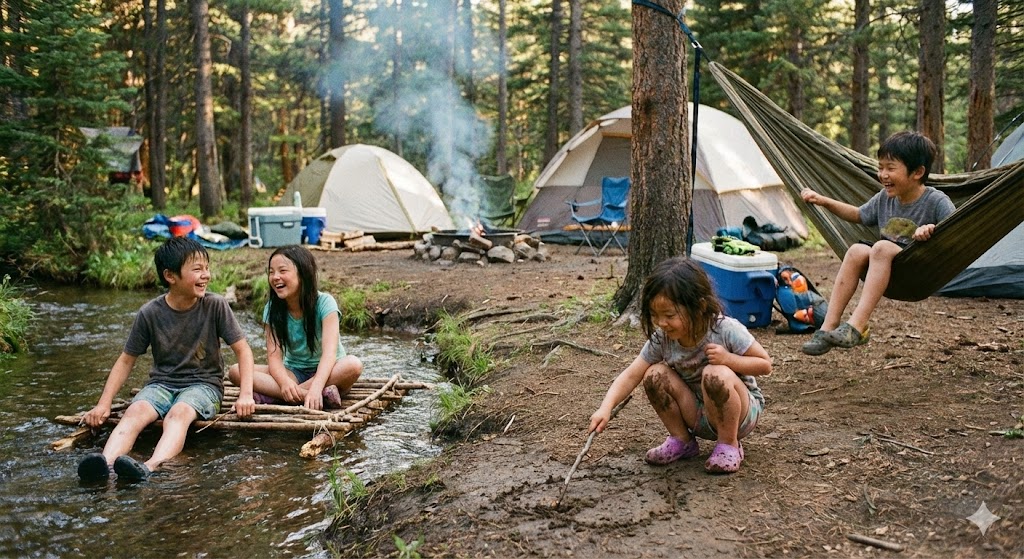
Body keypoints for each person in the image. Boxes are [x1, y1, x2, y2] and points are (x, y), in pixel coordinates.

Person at [78, 237, 256, 482]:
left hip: (204, 386)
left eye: (207, 268)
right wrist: (103, 404)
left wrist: (246, 394)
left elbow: (243, 350)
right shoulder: (150, 313)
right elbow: (126, 360)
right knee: (135, 410)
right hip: (160, 385)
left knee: (178, 413)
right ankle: (105, 465)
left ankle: (150, 467)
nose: (206, 275)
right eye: (197, 269)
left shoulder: (215, 305)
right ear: (170, 276)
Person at [589, 257, 772, 474]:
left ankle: (728, 444)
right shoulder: (663, 338)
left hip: (741, 414)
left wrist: (729, 360)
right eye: (655, 315)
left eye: (669, 315)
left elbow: (765, 365)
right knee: (654, 374)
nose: (662, 323)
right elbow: (631, 374)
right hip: (698, 413)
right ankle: (682, 440)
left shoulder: (725, 330)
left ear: (699, 307)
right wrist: (606, 407)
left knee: (715, 373)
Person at [800, 131, 955, 356]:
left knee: (881, 247)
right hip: (884, 269)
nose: (882, 175)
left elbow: (954, 230)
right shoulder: (885, 197)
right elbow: (858, 214)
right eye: (880, 167)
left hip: (917, 270)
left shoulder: (936, 201)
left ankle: (857, 326)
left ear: (917, 172)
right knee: (856, 250)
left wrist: (932, 229)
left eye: (890, 168)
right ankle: (828, 326)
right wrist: (823, 201)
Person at [228, 245, 362, 410]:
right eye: (271, 272)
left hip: (330, 372)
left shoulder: (325, 303)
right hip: (293, 372)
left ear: (303, 274)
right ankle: (309, 395)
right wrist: (285, 383)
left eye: (282, 271)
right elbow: (274, 359)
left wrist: (316, 386)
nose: (275, 277)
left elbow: (329, 354)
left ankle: (284, 396)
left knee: (353, 364)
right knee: (236, 371)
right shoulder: (272, 309)